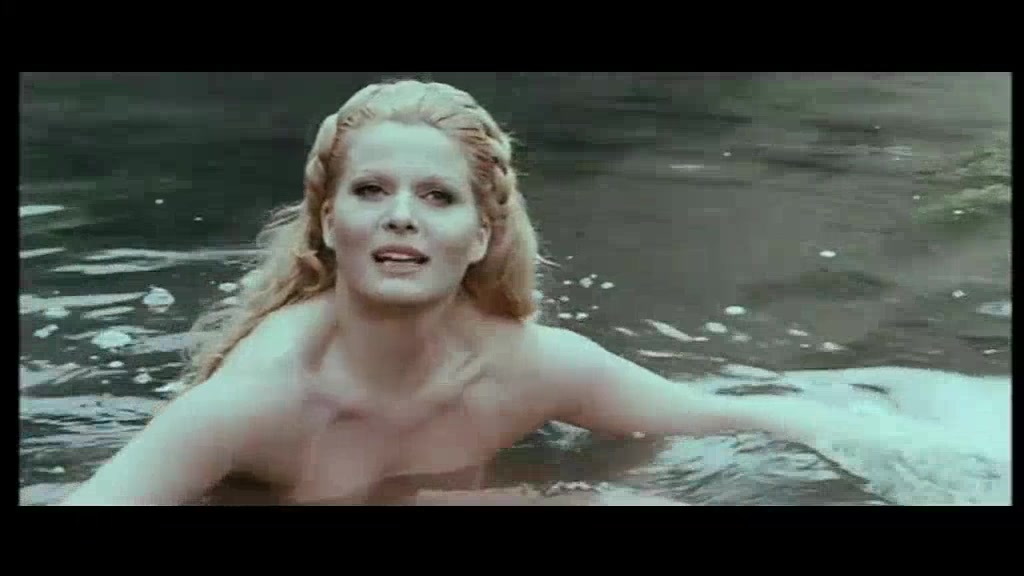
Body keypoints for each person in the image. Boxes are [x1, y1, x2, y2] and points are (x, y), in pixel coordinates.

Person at [57, 79, 900, 506]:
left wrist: (927, 460)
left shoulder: (531, 367)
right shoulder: (251, 406)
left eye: (437, 197)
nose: (401, 216)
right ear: (327, 223)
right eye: (370, 191)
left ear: (482, 236)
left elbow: (742, 418)